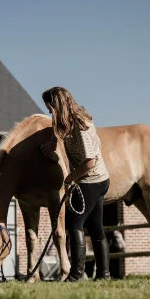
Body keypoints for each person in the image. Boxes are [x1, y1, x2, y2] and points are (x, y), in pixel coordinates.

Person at [40, 86, 111, 282]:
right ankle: (104, 275)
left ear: (57, 105)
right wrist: (52, 143)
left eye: (50, 108)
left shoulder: (81, 127)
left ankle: (74, 275)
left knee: (74, 224)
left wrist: (71, 177)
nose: (49, 112)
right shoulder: (68, 119)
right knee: (96, 228)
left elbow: (90, 162)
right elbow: (58, 127)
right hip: (99, 179)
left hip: (91, 180)